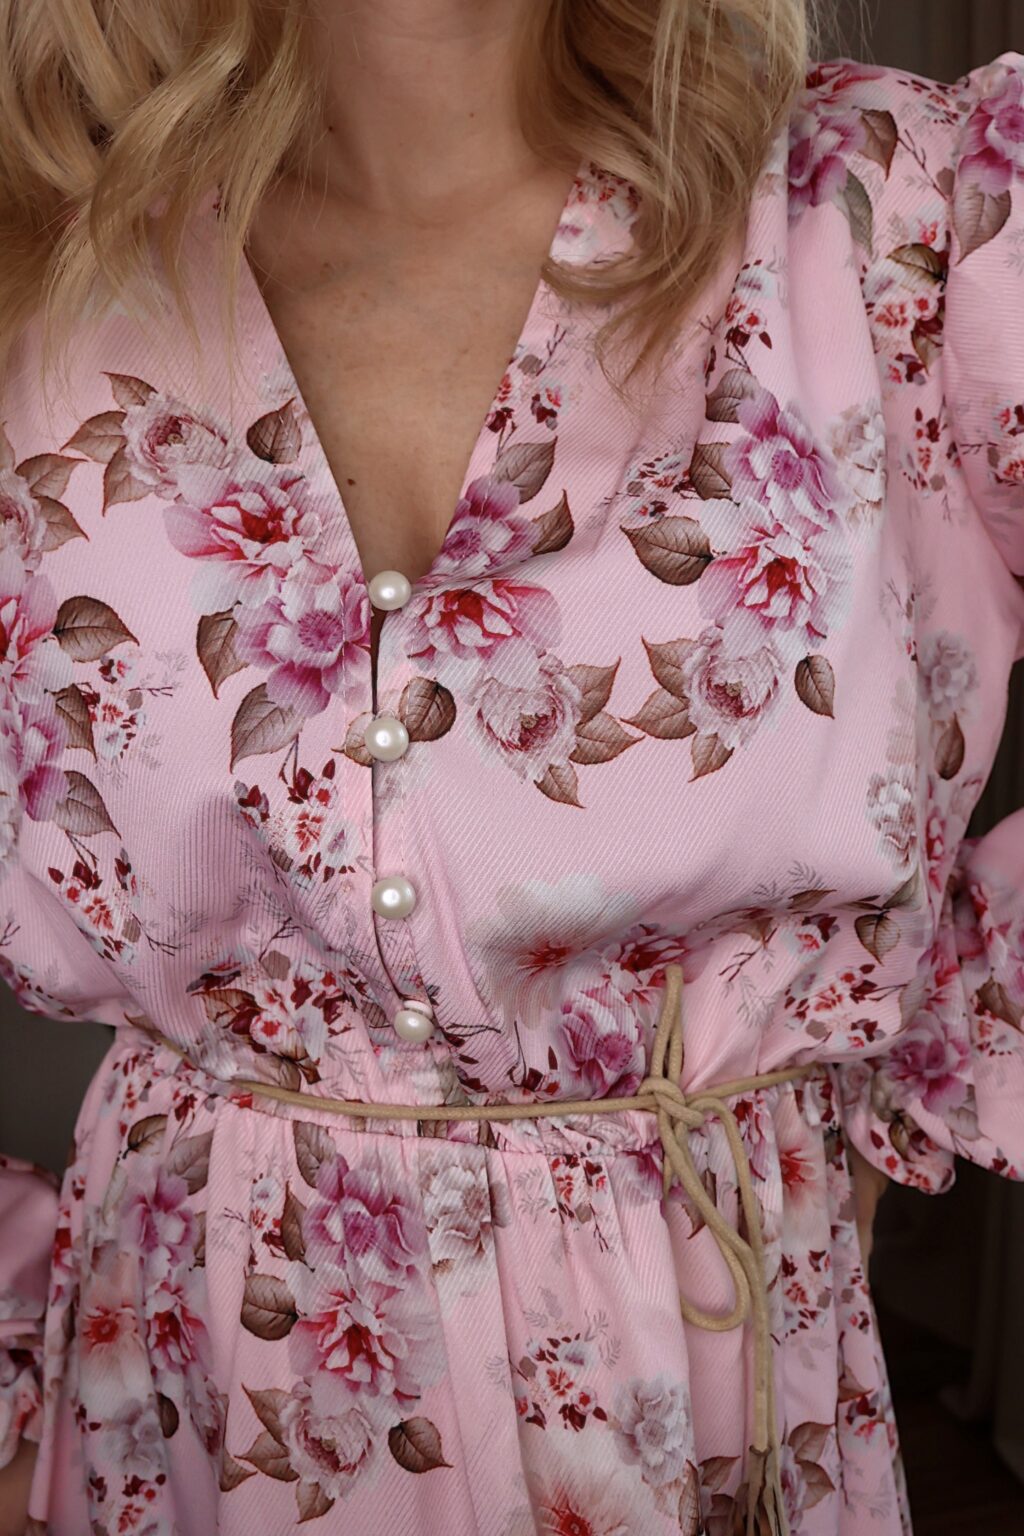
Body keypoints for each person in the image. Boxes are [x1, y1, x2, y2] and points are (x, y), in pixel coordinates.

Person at [0, 1, 1021, 1532]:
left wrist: (926, 1064)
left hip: (720, 1417)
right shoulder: (34, 272)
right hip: (176, 1421)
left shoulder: (898, 214)